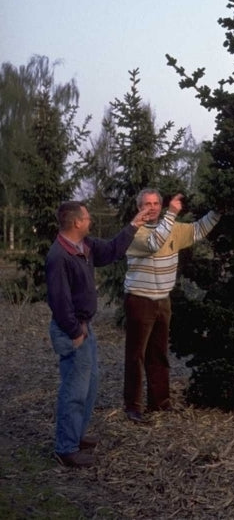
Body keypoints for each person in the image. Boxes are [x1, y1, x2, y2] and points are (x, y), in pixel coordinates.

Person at [46, 200, 150, 468]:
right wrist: (74, 331)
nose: (90, 221)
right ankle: (66, 449)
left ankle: (76, 436)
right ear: (76, 222)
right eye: (87, 218)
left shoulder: (86, 246)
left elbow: (112, 251)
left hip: (84, 328)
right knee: (74, 390)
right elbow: (59, 301)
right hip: (73, 330)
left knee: (89, 386)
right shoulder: (59, 256)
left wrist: (133, 225)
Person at [123, 188, 220, 423]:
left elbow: (198, 230)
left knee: (158, 353)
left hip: (163, 300)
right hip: (140, 299)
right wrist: (171, 214)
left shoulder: (173, 228)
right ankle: (133, 406)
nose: (153, 207)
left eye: (156, 203)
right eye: (147, 204)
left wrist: (218, 211)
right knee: (136, 355)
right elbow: (155, 243)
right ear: (139, 208)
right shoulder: (134, 233)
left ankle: (159, 402)